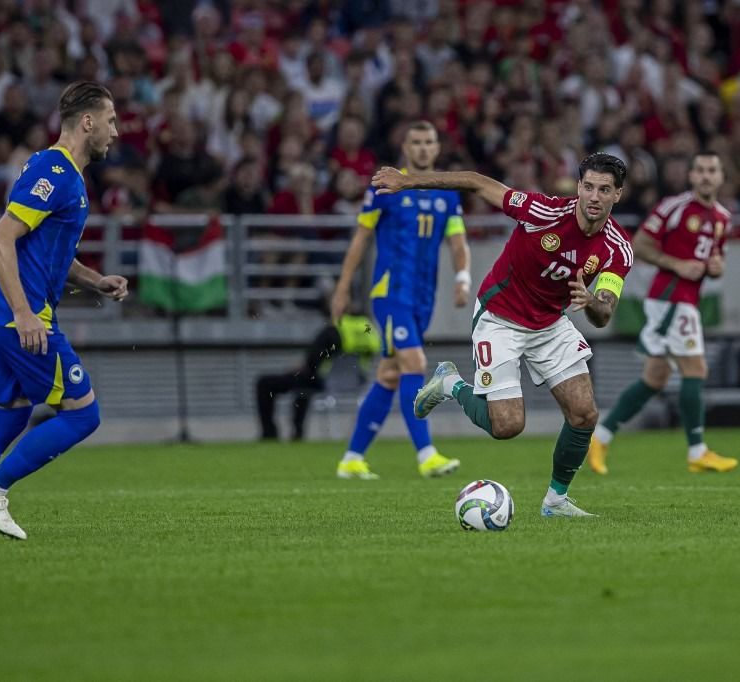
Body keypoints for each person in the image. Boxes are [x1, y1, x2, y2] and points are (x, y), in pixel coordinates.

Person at [381, 152, 635, 518]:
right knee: (508, 426)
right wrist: (408, 181)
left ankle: (556, 501)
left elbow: (604, 313)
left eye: (604, 189)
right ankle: (451, 382)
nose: (594, 197)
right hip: (500, 317)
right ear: (578, 187)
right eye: (589, 187)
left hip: (549, 323)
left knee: (584, 414)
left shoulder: (617, 248)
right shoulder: (542, 212)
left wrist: (593, 302)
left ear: (618, 195)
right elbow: (476, 180)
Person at [0, 81, 124, 542]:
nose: (116, 132)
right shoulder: (54, 169)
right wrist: (25, 315)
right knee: (83, 414)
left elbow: (47, 255)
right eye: (110, 121)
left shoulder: (63, 173)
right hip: (19, 316)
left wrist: (95, 280)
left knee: (8, 417)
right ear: (87, 122)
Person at [330, 121, 471, 480]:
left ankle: (351, 458)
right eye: (416, 142)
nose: (423, 148)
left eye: (429, 142)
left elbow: (457, 241)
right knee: (414, 362)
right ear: (406, 148)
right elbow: (361, 239)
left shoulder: (447, 194)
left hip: (424, 296)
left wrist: (462, 277)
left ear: (437, 148)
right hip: (391, 293)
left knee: (390, 374)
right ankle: (427, 454)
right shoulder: (386, 187)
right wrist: (343, 286)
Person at [587, 152, 739, 475]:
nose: (706, 176)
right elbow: (639, 244)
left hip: (686, 300)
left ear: (721, 176)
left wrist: (716, 268)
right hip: (669, 299)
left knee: (655, 378)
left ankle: (599, 437)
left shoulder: (723, 218)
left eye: (712, 170)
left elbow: (716, 262)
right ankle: (697, 450)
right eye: (700, 170)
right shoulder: (675, 207)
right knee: (695, 368)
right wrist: (676, 264)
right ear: (692, 176)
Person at [256, 313, 379, 441]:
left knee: (267, 383)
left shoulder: (335, 328)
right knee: (303, 385)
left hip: (324, 380)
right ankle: (297, 433)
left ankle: (273, 433)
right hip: (356, 381)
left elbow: (313, 360)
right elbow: (377, 348)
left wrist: (299, 368)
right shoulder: (368, 328)